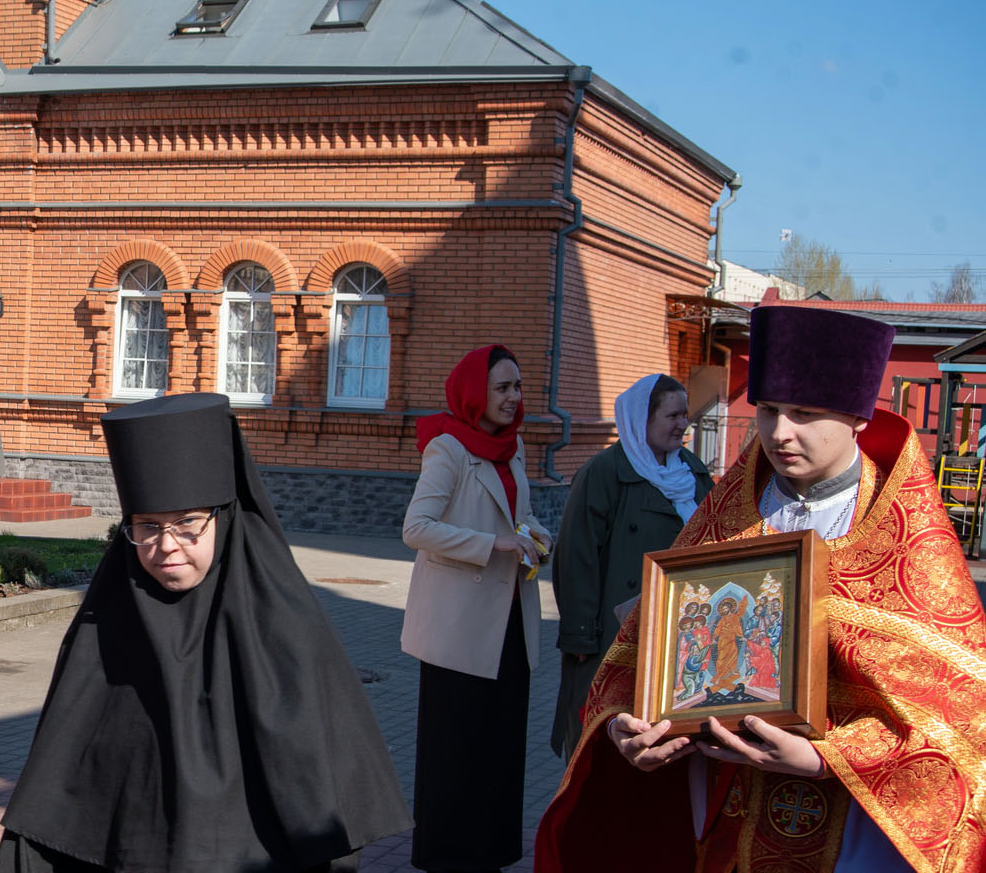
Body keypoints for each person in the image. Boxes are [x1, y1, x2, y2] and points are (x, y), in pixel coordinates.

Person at [537, 307, 986, 873]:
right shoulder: (730, 511)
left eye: (804, 413)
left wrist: (826, 758)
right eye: (769, 409)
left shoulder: (902, 533)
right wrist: (625, 726)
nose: (778, 433)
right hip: (722, 804)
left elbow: (958, 714)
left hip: (849, 827)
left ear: (857, 417)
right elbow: (642, 657)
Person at [0, 392, 411, 872]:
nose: (166, 545)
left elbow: (322, 787)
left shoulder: (284, 625)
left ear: (224, 518)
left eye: (187, 523)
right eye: (146, 526)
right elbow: (55, 795)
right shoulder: (106, 625)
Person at [401, 344, 552, 873]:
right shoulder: (447, 449)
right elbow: (416, 528)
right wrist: (494, 544)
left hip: (509, 622)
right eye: (502, 388)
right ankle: (448, 858)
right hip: (457, 630)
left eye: (518, 387)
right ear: (474, 393)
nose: (514, 397)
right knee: (456, 750)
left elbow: (520, 515)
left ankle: (492, 854)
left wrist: (537, 536)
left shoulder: (513, 447)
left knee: (500, 746)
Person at [549, 373, 713, 757]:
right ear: (643, 419)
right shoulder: (605, 472)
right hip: (615, 632)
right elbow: (577, 557)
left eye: (685, 415)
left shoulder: (693, 471)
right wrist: (579, 635)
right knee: (605, 733)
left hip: (682, 631)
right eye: (672, 416)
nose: (682, 424)